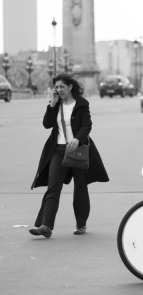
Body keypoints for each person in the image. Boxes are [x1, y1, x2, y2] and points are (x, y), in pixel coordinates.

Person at [29, 73, 109, 238]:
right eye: (56, 87)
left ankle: (81, 224)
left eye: (62, 87)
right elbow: (46, 124)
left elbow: (87, 125)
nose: (59, 90)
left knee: (80, 186)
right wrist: (52, 103)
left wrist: (77, 139)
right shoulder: (56, 104)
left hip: (77, 151)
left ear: (70, 86)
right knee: (53, 187)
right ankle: (46, 226)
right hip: (57, 151)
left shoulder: (81, 104)